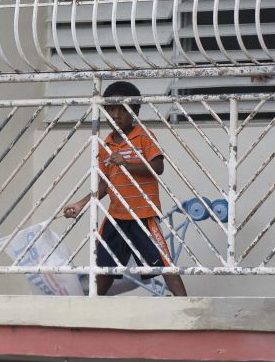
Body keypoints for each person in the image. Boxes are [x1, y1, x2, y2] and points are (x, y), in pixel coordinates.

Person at [62, 81, 188, 297]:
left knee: (164, 264)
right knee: (104, 266)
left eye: (122, 110)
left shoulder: (144, 136)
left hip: (143, 214)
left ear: (135, 111)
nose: (116, 115)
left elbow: (158, 167)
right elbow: (105, 183)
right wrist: (81, 204)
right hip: (116, 215)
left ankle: (185, 304)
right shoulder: (105, 145)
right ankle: (91, 308)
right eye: (111, 110)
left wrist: (126, 164)